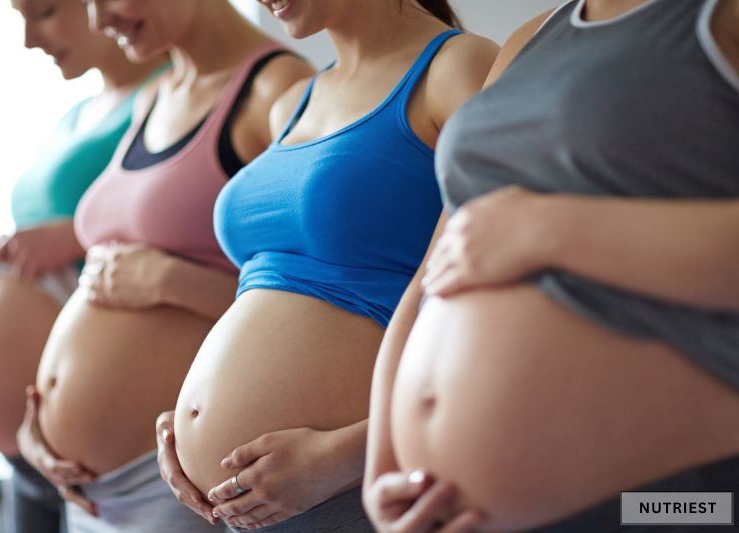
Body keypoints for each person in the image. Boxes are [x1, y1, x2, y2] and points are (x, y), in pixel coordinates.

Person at [364, 0, 739, 531]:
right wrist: (383, 470)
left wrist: (548, 228)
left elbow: (513, 229)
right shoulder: (529, 37)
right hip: (453, 509)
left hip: (670, 503)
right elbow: (437, 269)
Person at [154, 1, 499, 531]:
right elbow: (269, 297)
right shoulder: (292, 103)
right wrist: (187, 421)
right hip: (238, 506)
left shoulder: (459, 68)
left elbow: (506, 309)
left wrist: (343, 456)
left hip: (355, 487)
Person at [14, 0, 313, 531]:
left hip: (172, 482)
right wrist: (39, 423)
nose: (99, 20)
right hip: (84, 490)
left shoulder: (278, 91)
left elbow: (320, 302)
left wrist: (172, 281)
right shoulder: (154, 95)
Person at [0, 0, 166, 531]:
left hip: (103, 444)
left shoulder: (170, 96)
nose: (30, 39)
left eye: (45, 12)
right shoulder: (76, 114)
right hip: (24, 445)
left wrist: (74, 237)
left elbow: (174, 229)